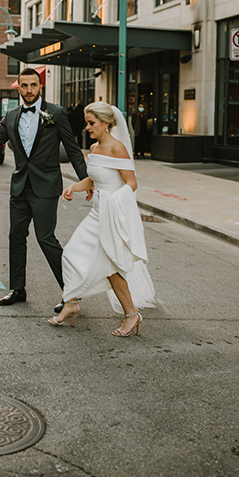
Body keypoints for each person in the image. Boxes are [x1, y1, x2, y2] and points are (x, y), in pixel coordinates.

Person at [0, 68, 88, 308]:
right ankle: (18, 289)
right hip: (20, 187)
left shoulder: (56, 113)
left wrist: (86, 180)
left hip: (46, 186)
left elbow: (73, 150)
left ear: (40, 86)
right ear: (18, 87)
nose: (29, 90)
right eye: (25, 86)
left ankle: (72, 291)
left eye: (34, 85)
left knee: (46, 239)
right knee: (15, 236)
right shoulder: (11, 116)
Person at [48, 102, 155, 336]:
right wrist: (74, 187)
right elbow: (94, 179)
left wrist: (112, 201)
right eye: (87, 123)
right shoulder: (94, 149)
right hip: (96, 214)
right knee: (71, 254)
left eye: (91, 123)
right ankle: (72, 301)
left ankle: (131, 315)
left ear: (106, 124)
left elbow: (131, 183)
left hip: (112, 213)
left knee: (111, 267)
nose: (87, 127)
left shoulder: (118, 149)